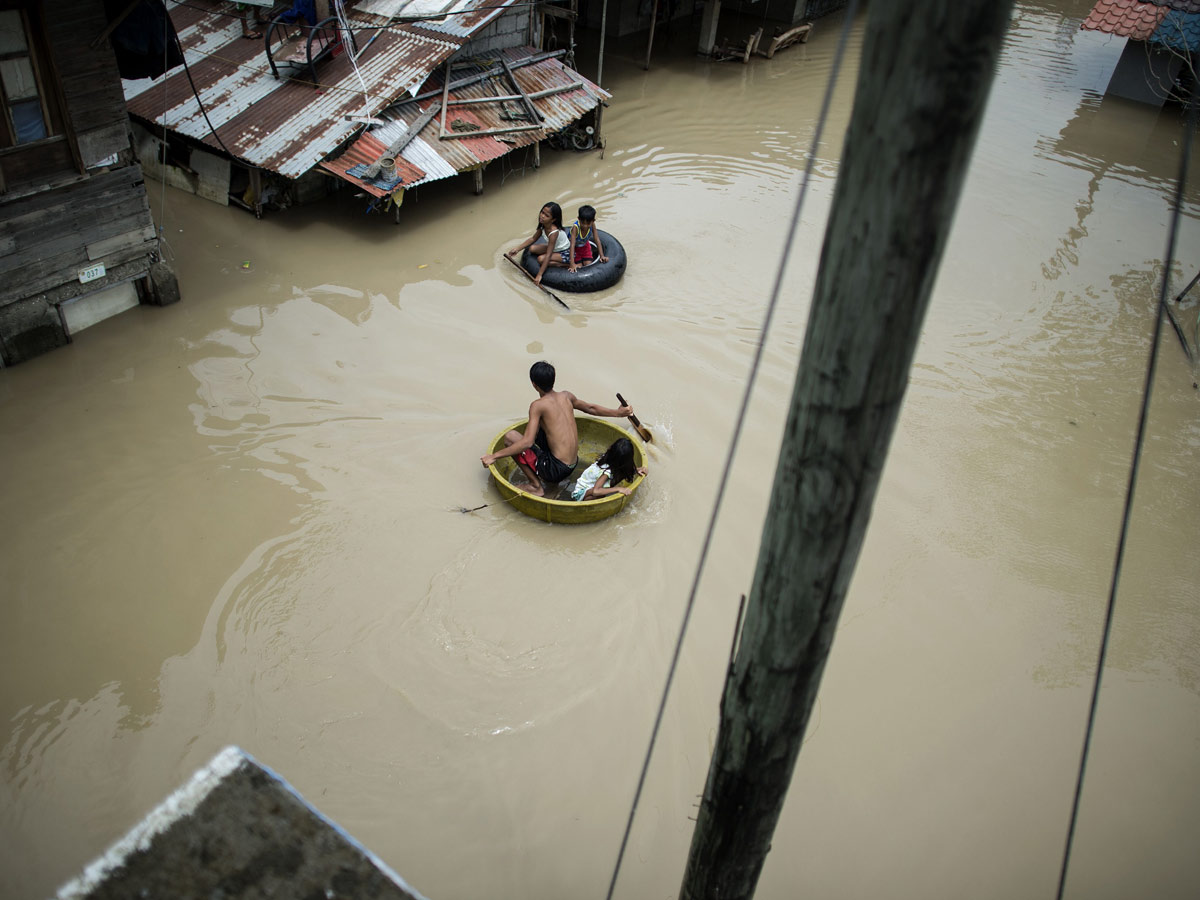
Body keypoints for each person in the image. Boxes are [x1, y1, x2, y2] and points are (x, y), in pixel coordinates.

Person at [480, 361, 633, 497]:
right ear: (553, 380)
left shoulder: (538, 405)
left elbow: (527, 442)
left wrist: (494, 456)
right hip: (572, 463)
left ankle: (535, 486)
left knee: (510, 437)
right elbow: (590, 408)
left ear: (534, 384)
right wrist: (618, 413)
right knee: (538, 428)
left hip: (557, 469)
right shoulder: (566, 396)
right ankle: (548, 479)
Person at [505, 202, 570, 285]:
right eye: (542, 212)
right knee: (532, 248)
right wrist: (517, 249)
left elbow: (549, 255)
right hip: (556, 248)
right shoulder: (543, 225)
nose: (542, 216)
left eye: (546, 215)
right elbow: (533, 238)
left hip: (564, 252)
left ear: (553, 219)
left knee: (540, 259)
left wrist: (539, 275)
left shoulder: (553, 233)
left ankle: (564, 264)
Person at [571, 438, 647, 501]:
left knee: (619, 474)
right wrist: (618, 489)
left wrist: (637, 470)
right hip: (578, 494)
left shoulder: (609, 457)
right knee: (601, 495)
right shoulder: (606, 470)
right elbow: (595, 491)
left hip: (588, 488)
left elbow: (624, 469)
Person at [567, 205, 608, 273]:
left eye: (588, 223)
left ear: (593, 221)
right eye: (582, 223)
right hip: (575, 250)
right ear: (578, 219)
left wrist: (602, 255)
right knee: (579, 267)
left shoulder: (592, 225)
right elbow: (572, 245)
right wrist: (572, 263)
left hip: (585, 247)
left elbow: (596, 239)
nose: (585, 226)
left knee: (589, 265)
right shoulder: (576, 228)